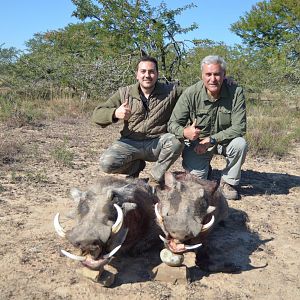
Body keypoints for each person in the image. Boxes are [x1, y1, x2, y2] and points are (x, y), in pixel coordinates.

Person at [92, 56, 184, 185]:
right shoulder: (124, 93)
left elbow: (192, 95)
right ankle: (136, 166)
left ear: (157, 74)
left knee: (176, 140)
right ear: (137, 74)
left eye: (151, 72)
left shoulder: (171, 91)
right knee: (106, 164)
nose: (147, 75)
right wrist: (114, 113)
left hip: (156, 143)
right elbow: (97, 115)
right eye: (143, 71)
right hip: (129, 143)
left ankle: (155, 178)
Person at [168, 55, 247, 200]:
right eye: (208, 74)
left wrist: (212, 139)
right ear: (202, 75)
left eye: (217, 74)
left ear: (224, 75)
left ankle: (228, 183)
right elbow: (172, 124)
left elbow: (240, 127)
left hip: (224, 142)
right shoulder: (191, 93)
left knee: (240, 144)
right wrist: (185, 132)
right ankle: (205, 169)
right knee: (198, 185)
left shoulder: (236, 92)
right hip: (198, 145)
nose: (213, 79)